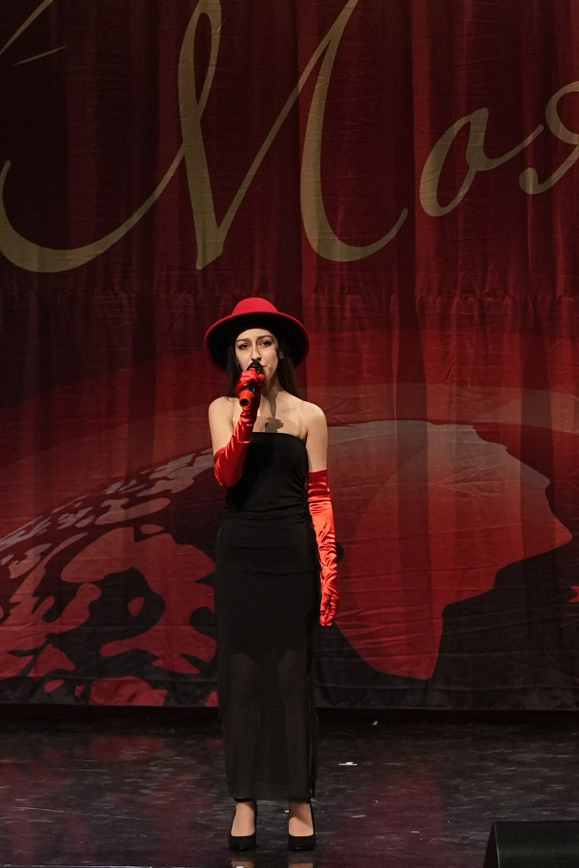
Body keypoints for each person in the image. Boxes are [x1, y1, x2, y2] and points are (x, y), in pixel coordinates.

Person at [204, 297, 337, 855]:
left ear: (280, 352)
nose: (254, 352)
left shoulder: (309, 416)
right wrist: (245, 408)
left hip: (291, 554)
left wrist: (328, 571)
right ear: (234, 358)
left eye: (263, 343)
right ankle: (244, 801)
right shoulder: (221, 408)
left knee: (290, 678)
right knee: (241, 677)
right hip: (240, 554)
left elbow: (320, 497)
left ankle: (299, 801)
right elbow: (227, 474)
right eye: (243, 345)